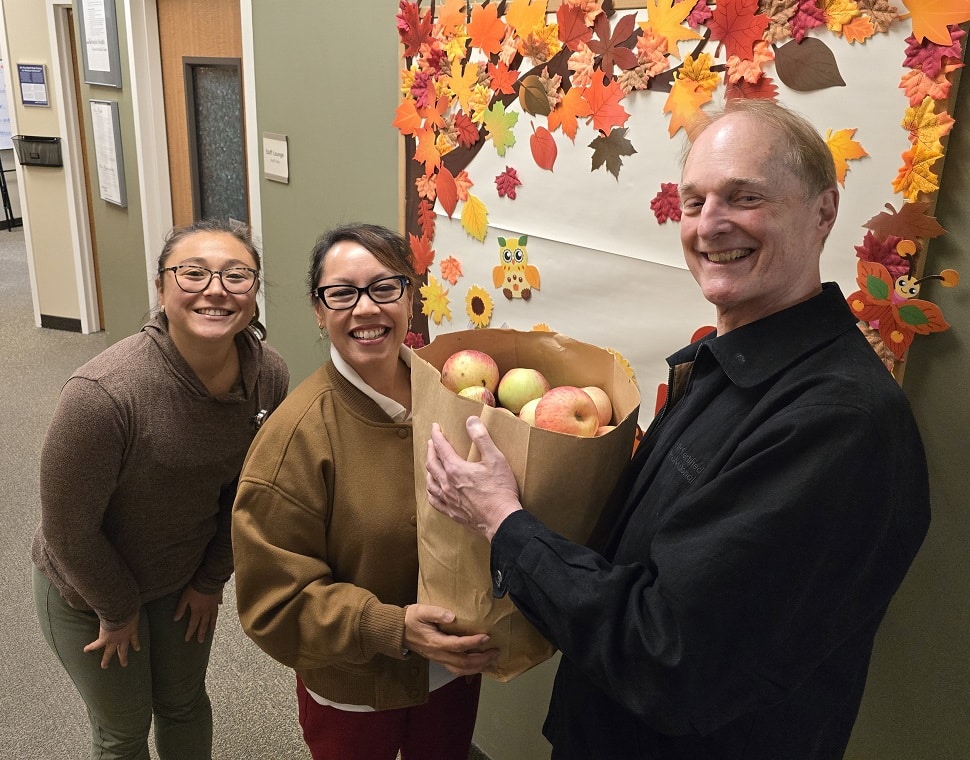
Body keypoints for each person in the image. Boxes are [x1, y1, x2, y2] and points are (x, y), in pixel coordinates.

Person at [425, 100, 931, 759]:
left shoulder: (838, 423)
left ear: (824, 211)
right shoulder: (727, 368)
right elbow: (659, 561)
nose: (710, 226)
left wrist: (506, 524)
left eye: (744, 197)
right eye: (694, 203)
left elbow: (668, 655)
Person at [231, 223, 496, 760]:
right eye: (343, 293)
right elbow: (272, 604)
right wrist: (390, 627)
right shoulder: (294, 439)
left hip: (451, 672)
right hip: (354, 693)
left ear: (409, 295)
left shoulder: (454, 395)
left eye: (384, 287)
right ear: (318, 309)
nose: (366, 308)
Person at [32, 218, 289, 760]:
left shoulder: (268, 376)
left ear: (255, 292)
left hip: (182, 580)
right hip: (91, 589)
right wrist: (119, 610)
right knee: (123, 732)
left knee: (183, 704)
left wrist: (210, 578)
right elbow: (67, 531)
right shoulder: (103, 395)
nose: (215, 289)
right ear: (161, 287)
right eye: (192, 272)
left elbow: (246, 494)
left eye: (236, 275)